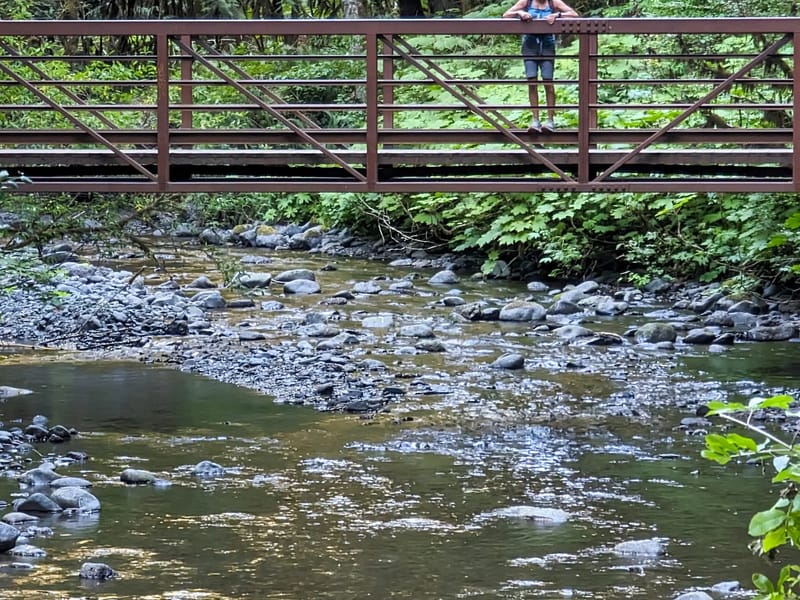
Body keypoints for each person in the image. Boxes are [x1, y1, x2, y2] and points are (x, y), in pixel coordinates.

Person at [503, 0, 579, 132]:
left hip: (547, 45)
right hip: (530, 46)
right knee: (532, 82)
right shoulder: (526, 2)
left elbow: (574, 15)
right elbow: (506, 15)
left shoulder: (553, 2)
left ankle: (550, 121)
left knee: (548, 83)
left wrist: (557, 15)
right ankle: (535, 120)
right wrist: (520, 12)